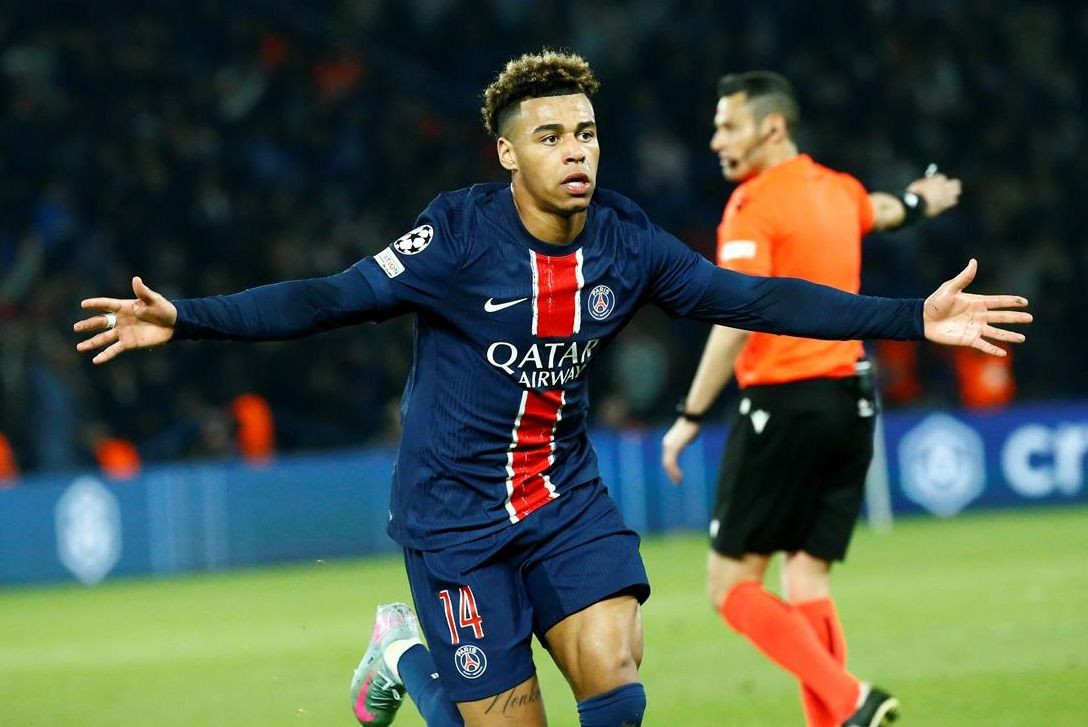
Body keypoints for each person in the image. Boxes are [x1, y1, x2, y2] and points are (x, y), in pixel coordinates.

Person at [74, 51, 1030, 727]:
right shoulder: (455, 238)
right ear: (507, 154)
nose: (576, 151)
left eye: (586, 133)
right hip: (452, 513)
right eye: (550, 136)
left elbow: (755, 296)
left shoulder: (626, 240)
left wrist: (914, 316)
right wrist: (185, 316)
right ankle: (403, 650)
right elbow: (328, 298)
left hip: (560, 495)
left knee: (617, 684)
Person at [660, 71, 966, 727]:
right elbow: (885, 211)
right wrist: (921, 201)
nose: (716, 141)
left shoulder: (752, 206)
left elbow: (735, 319)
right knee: (806, 579)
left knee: (730, 587)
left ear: (773, 127)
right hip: (852, 399)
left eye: (729, 126)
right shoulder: (839, 189)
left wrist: (690, 415)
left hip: (784, 403)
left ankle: (852, 697)